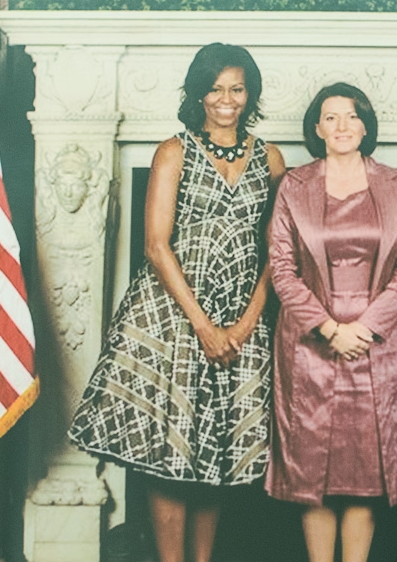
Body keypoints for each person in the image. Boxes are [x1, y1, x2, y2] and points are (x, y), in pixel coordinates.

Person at [68, 43, 286, 562]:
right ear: (198, 94)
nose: (226, 99)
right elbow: (156, 245)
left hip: (241, 316)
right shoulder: (175, 151)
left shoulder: (270, 158)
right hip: (173, 317)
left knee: (217, 447)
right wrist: (204, 326)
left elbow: (279, 249)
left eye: (237, 88)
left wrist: (246, 324)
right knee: (171, 449)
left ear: (250, 93)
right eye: (215, 88)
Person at [266, 82, 397, 562]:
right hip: (311, 342)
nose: (342, 125)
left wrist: (365, 327)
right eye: (331, 117)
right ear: (317, 128)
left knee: (365, 473)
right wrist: (329, 328)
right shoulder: (293, 185)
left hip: (378, 341)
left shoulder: (395, 183)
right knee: (312, 474)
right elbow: (282, 268)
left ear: (365, 126)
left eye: (351, 116)